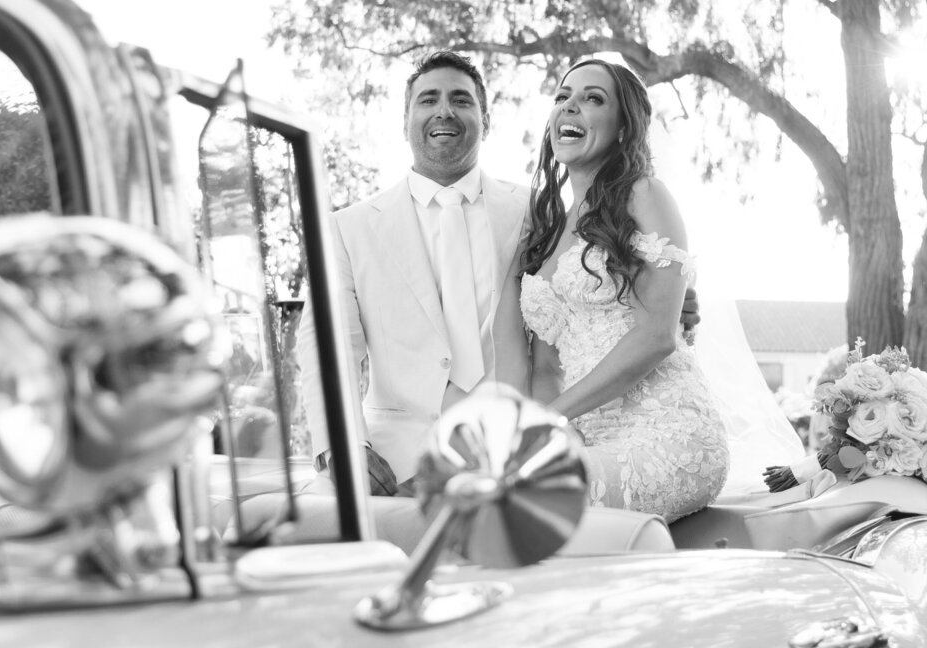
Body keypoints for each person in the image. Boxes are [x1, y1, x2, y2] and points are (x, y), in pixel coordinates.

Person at [298, 51, 700, 497]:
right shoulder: (346, 228)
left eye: (461, 100)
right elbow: (325, 349)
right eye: (428, 99)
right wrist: (340, 445)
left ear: (485, 121)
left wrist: (674, 299)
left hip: (514, 450)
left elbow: (606, 292)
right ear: (406, 120)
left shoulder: (540, 213)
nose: (444, 111)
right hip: (389, 458)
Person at [516, 58, 729, 522]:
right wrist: (556, 432)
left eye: (593, 98)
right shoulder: (545, 228)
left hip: (666, 432)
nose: (570, 106)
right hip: (583, 437)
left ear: (621, 127)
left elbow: (658, 335)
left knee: (520, 503)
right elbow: (546, 364)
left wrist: (550, 417)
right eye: (562, 97)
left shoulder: (646, 195)